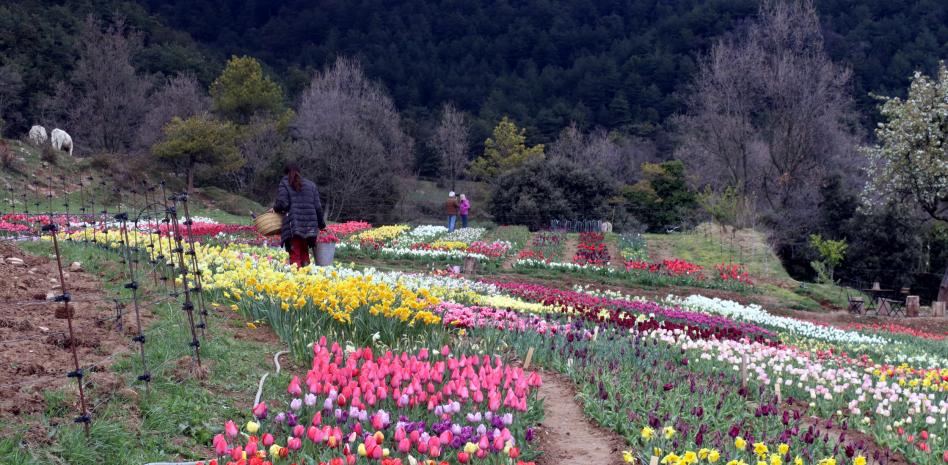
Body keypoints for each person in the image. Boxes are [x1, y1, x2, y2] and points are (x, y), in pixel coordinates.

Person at [274, 163, 326, 267]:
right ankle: (307, 277)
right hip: (310, 226)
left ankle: (297, 279)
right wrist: (322, 225)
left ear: (286, 172)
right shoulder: (311, 185)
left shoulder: (285, 183)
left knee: (295, 253)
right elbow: (318, 208)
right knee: (304, 251)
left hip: (294, 225)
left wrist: (275, 208)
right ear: (299, 171)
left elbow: (283, 203)